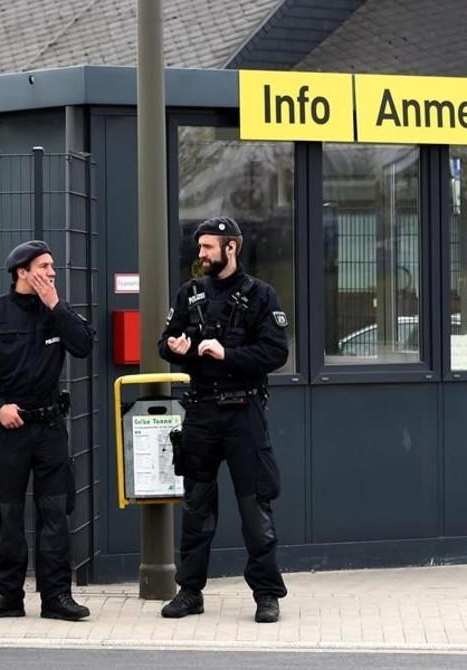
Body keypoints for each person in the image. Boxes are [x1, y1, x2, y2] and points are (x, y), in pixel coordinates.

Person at [157, 216, 290, 623]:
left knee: (255, 509)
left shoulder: (261, 295)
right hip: (200, 412)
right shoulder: (189, 293)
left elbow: (275, 354)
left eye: (208, 248)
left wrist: (227, 355)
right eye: (200, 248)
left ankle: (267, 595)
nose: (201, 255)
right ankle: (190, 592)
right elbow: (165, 343)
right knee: (196, 506)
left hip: (243, 414)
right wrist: (177, 348)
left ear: (232, 247)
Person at [0, 240, 95, 621]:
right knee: (8, 515)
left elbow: (84, 345)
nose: (52, 273)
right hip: (9, 430)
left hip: (49, 427)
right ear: (22, 272)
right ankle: (7, 596)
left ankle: (57, 598)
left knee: (54, 514)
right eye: (44, 266)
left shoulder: (58, 311)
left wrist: (55, 304)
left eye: (52, 266)